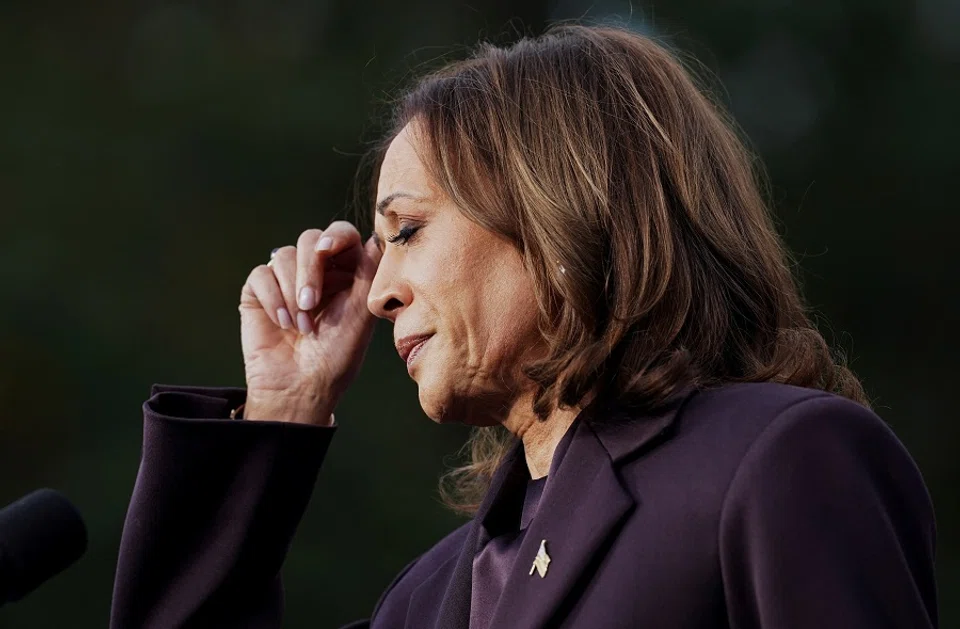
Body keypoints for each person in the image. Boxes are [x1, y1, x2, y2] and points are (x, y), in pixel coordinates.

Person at [109, 24, 938, 629]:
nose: (376, 292)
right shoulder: (428, 598)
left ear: (557, 214)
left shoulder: (778, 458)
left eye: (406, 230)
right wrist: (282, 409)